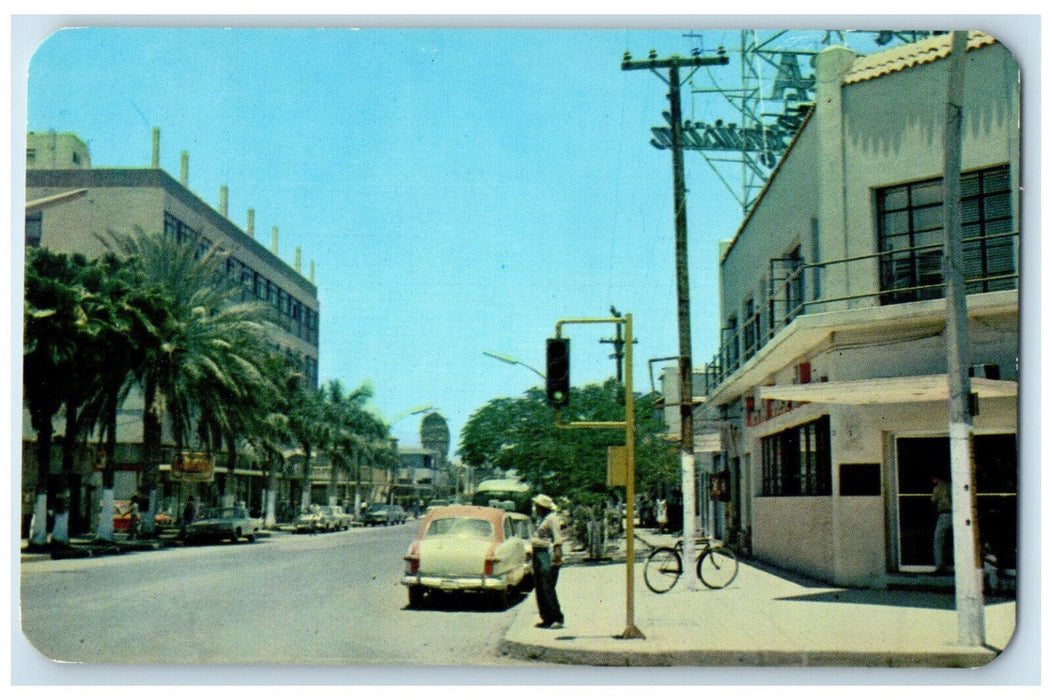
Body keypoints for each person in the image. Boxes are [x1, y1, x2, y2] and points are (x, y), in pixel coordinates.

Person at [530, 493, 565, 629]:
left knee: (547, 586)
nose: (535, 508)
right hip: (538, 553)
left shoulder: (552, 519)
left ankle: (557, 617)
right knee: (540, 587)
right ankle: (546, 618)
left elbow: (557, 537)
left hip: (547, 554)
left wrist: (557, 554)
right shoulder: (541, 519)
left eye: (537, 506)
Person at [931, 473, 952, 573]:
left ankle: (940, 565)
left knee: (938, 540)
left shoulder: (938, 488)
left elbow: (933, 501)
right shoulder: (951, 485)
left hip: (944, 514)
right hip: (956, 514)